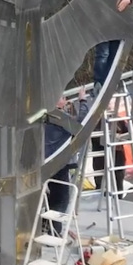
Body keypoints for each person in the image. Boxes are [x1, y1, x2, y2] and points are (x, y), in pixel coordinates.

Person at [44, 88, 89, 234]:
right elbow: (81, 121)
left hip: (46, 161)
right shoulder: (60, 117)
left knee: (51, 197)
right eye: (63, 97)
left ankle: (46, 227)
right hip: (60, 163)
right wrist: (82, 100)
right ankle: (55, 232)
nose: (66, 100)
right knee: (61, 198)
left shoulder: (45, 115)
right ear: (57, 102)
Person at [90, 0, 133, 88]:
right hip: (102, 26)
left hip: (117, 26)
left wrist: (127, 0)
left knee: (114, 55)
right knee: (102, 54)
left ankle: (109, 81)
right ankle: (99, 82)